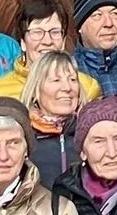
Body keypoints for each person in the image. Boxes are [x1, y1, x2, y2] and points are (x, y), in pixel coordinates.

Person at [0, 0, 100, 106]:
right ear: (22, 42)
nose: (47, 41)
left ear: (63, 40)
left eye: (55, 32)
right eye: (37, 32)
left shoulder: (87, 87)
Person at [22, 51, 87, 186]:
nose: (67, 88)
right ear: (36, 90)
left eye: (73, 80)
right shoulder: (22, 137)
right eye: (56, 80)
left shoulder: (89, 134)